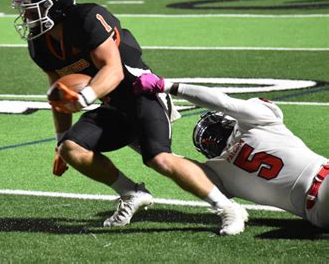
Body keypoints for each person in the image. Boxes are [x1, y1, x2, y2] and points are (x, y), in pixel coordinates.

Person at [12, 0, 249, 235]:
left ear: (58, 3)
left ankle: (227, 207)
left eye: (33, 8)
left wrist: (86, 96)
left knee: (159, 159)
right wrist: (61, 138)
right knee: (70, 148)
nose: (27, 15)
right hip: (112, 105)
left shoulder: (89, 17)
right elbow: (58, 93)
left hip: (141, 94)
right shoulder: (39, 44)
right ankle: (132, 193)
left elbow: (112, 71)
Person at [133, 73, 329, 228]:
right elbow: (221, 102)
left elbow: (166, 160)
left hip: (317, 213)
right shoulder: (258, 125)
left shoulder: (221, 174)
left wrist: (134, 136)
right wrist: (168, 86)